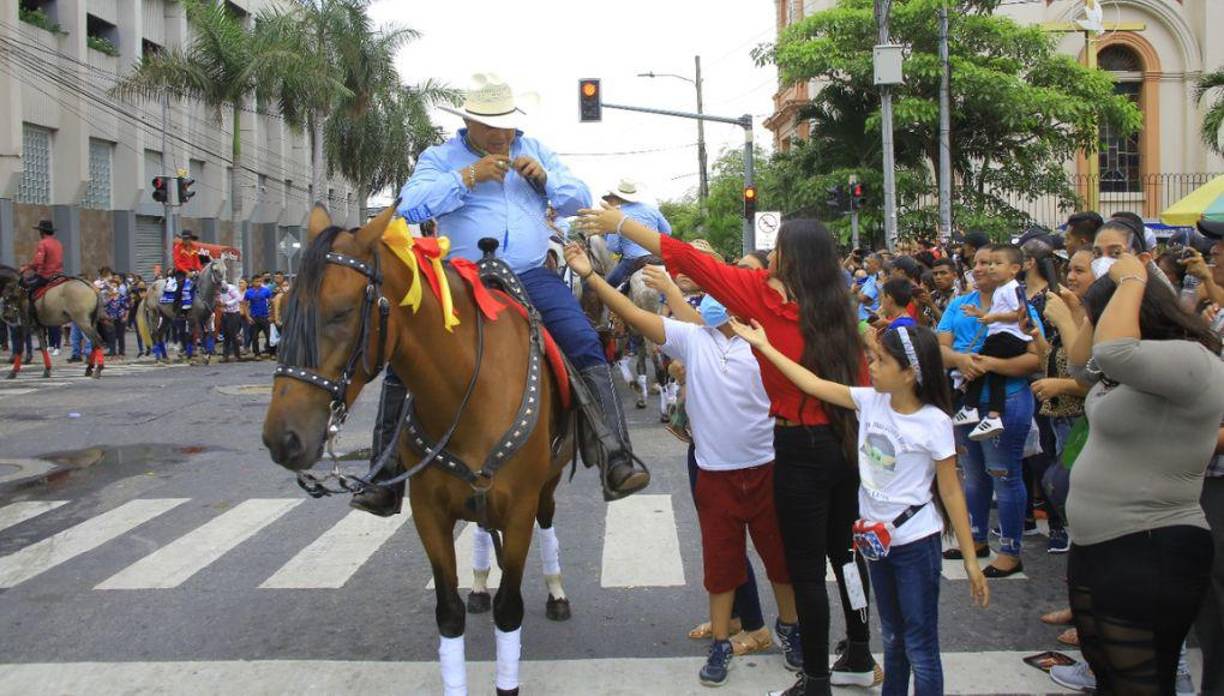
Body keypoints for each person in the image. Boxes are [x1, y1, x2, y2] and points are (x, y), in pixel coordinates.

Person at [577, 208, 878, 696]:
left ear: (792, 258)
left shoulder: (758, 299)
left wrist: (620, 224)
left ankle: (816, 679)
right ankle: (860, 650)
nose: (772, 254)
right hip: (846, 445)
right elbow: (863, 382)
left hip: (795, 448)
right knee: (845, 556)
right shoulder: (839, 308)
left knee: (802, 568)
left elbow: (687, 259)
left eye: (778, 247)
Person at [392, 72, 649, 513]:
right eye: (491, 125)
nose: (501, 134)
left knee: (584, 341)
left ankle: (615, 454)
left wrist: (546, 179)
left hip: (530, 273)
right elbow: (410, 206)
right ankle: (384, 476)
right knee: (406, 351)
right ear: (469, 123)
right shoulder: (440, 157)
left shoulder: (534, 149)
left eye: (507, 125)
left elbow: (579, 199)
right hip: (460, 276)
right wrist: (467, 176)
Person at [565, 242, 798, 688]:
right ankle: (721, 643)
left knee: (779, 560)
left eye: (724, 294)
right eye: (714, 295)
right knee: (721, 564)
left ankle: (791, 630)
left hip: (767, 468)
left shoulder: (767, 341)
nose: (716, 303)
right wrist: (590, 277)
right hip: (715, 472)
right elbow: (635, 317)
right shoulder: (693, 340)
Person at [733, 320, 990, 696]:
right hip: (878, 545)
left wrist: (970, 560)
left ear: (908, 373)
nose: (870, 364)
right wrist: (765, 346)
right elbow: (812, 384)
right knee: (893, 639)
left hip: (916, 545)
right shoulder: (870, 400)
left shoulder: (934, 422)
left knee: (920, 645)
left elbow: (951, 492)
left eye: (881, 360)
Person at [1062, 252, 1224, 695]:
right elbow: (1081, 366)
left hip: (1150, 547)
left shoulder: (1190, 360)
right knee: (1109, 676)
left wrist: (1132, 277)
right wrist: (1087, 311)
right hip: (1100, 548)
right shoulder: (1133, 366)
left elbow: (1111, 351)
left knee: (1142, 684)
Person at [937, 246, 1042, 577]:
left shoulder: (1018, 305)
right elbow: (939, 348)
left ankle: (1010, 550)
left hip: (1007, 400)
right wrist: (961, 361)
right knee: (972, 473)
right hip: (965, 401)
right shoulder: (957, 305)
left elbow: (1037, 356)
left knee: (1004, 474)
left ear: (1011, 269)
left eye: (990, 263)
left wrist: (991, 365)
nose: (981, 268)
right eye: (978, 262)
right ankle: (976, 538)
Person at [953, 245, 1032, 441]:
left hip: (1008, 337)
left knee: (979, 363)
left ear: (1014, 268)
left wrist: (992, 317)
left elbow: (1018, 314)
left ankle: (971, 407)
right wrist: (981, 314)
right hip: (1001, 335)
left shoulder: (1012, 288)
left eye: (995, 263)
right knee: (995, 375)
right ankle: (993, 415)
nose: (990, 268)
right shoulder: (1002, 289)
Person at [601, 178, 672, 289]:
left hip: (632, 260)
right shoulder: (652, 209)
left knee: (606, 288)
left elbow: (612, 246)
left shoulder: (616, 215)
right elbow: (667, 232)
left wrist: (622, 248)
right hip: (658, 257)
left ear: (617, 197)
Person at [18, 219, 63, 298]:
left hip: (45, 276)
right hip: (58, 276)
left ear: (42, 232)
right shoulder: (58, 243)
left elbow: (37, 263)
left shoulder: (43, 243)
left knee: (23, 286)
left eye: (40, 231)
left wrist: (25, 268)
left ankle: (31, 309)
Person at [242, 275, 273, 358]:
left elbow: (272, 303)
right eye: (256, 281)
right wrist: (248, 317)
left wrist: (271, 315)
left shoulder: (266, 291)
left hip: (265, 316)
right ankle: (257, 354)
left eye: (260, 281)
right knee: (254, 336)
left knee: (269, 336)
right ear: (252, 282)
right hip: (254, 317)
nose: (258, 283)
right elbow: (244, 304)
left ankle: (272, 353)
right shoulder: (249, 292)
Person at [218, 280, 243, 362]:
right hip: (225, 313)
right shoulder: (218, 290)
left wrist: (227, 303)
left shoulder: (232, 289)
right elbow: (218, 298)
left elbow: (238, 298)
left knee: (234, 335)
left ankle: (237, 355)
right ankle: (225, 356)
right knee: (226, 335)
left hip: (234, 313)